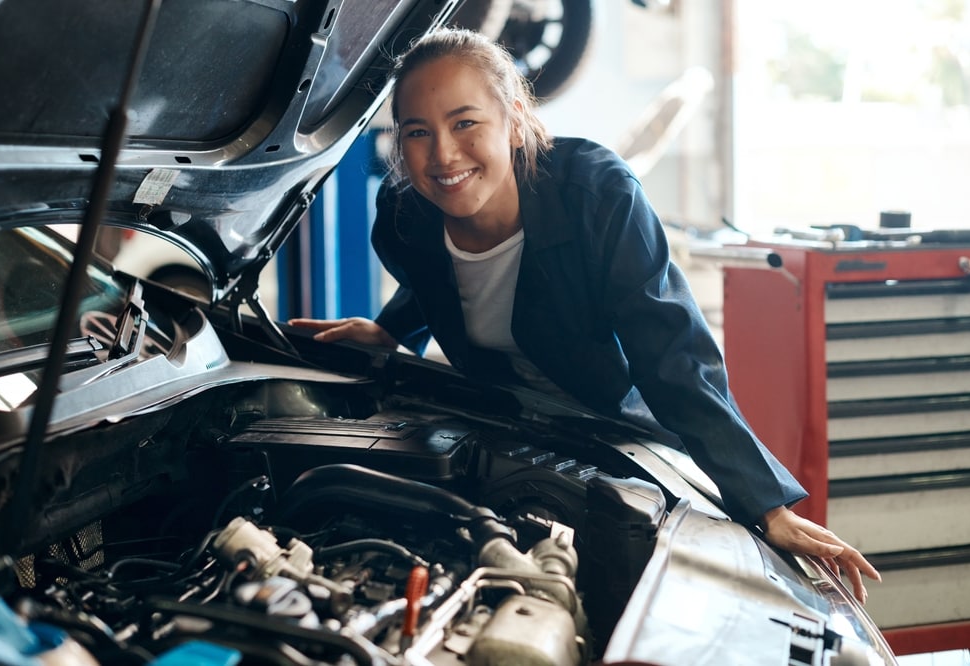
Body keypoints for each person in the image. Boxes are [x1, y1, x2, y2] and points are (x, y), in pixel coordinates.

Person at [289, 27, 881, 602]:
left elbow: (673, 356)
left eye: (465, 122)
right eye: (417, 131)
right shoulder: (404, 216)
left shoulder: (598, 196)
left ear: (515, 118)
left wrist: (764, 505)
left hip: (616, 424)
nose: (442, 155)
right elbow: (437, 278)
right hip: (503, 416)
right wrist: (392, 331)